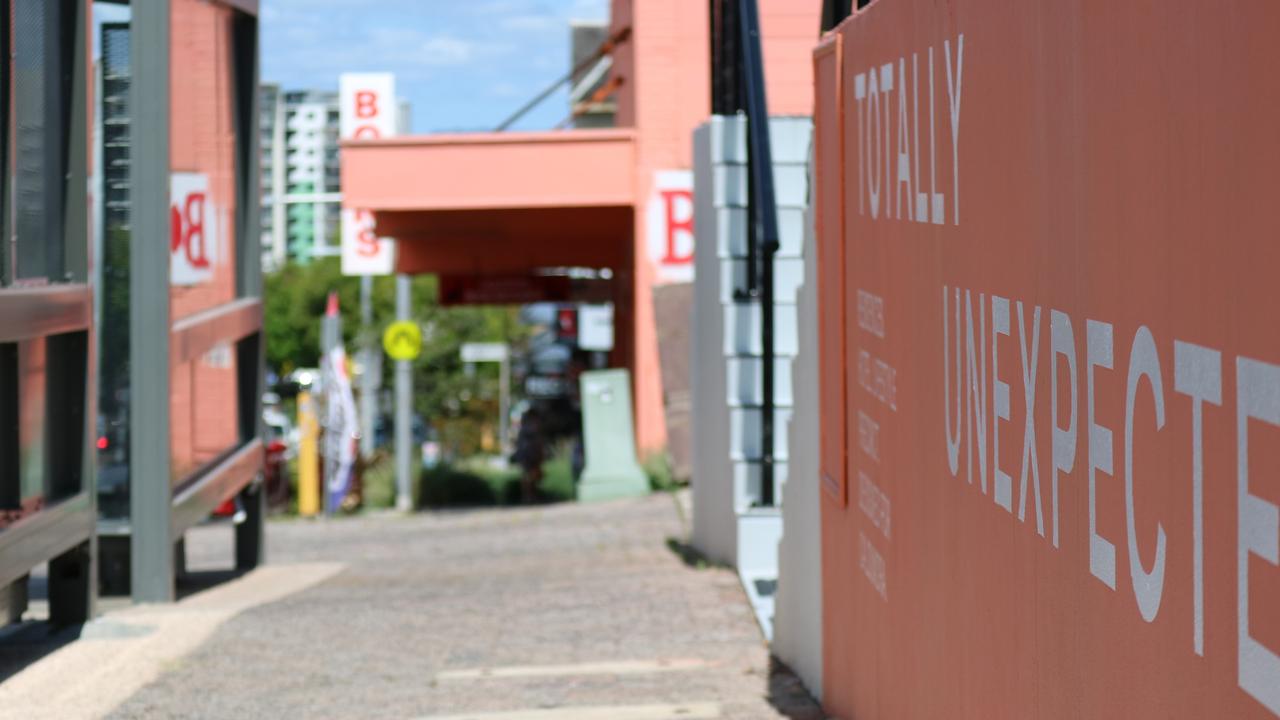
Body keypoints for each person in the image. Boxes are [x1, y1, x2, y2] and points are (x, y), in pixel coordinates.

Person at [512, 407, 545, 504]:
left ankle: (529, 496)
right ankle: (529, 496)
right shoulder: (530, 426)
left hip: (528, 453)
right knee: (529, 475)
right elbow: (536, 440)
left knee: (529, 475)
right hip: (529, 453)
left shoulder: (525, 426)